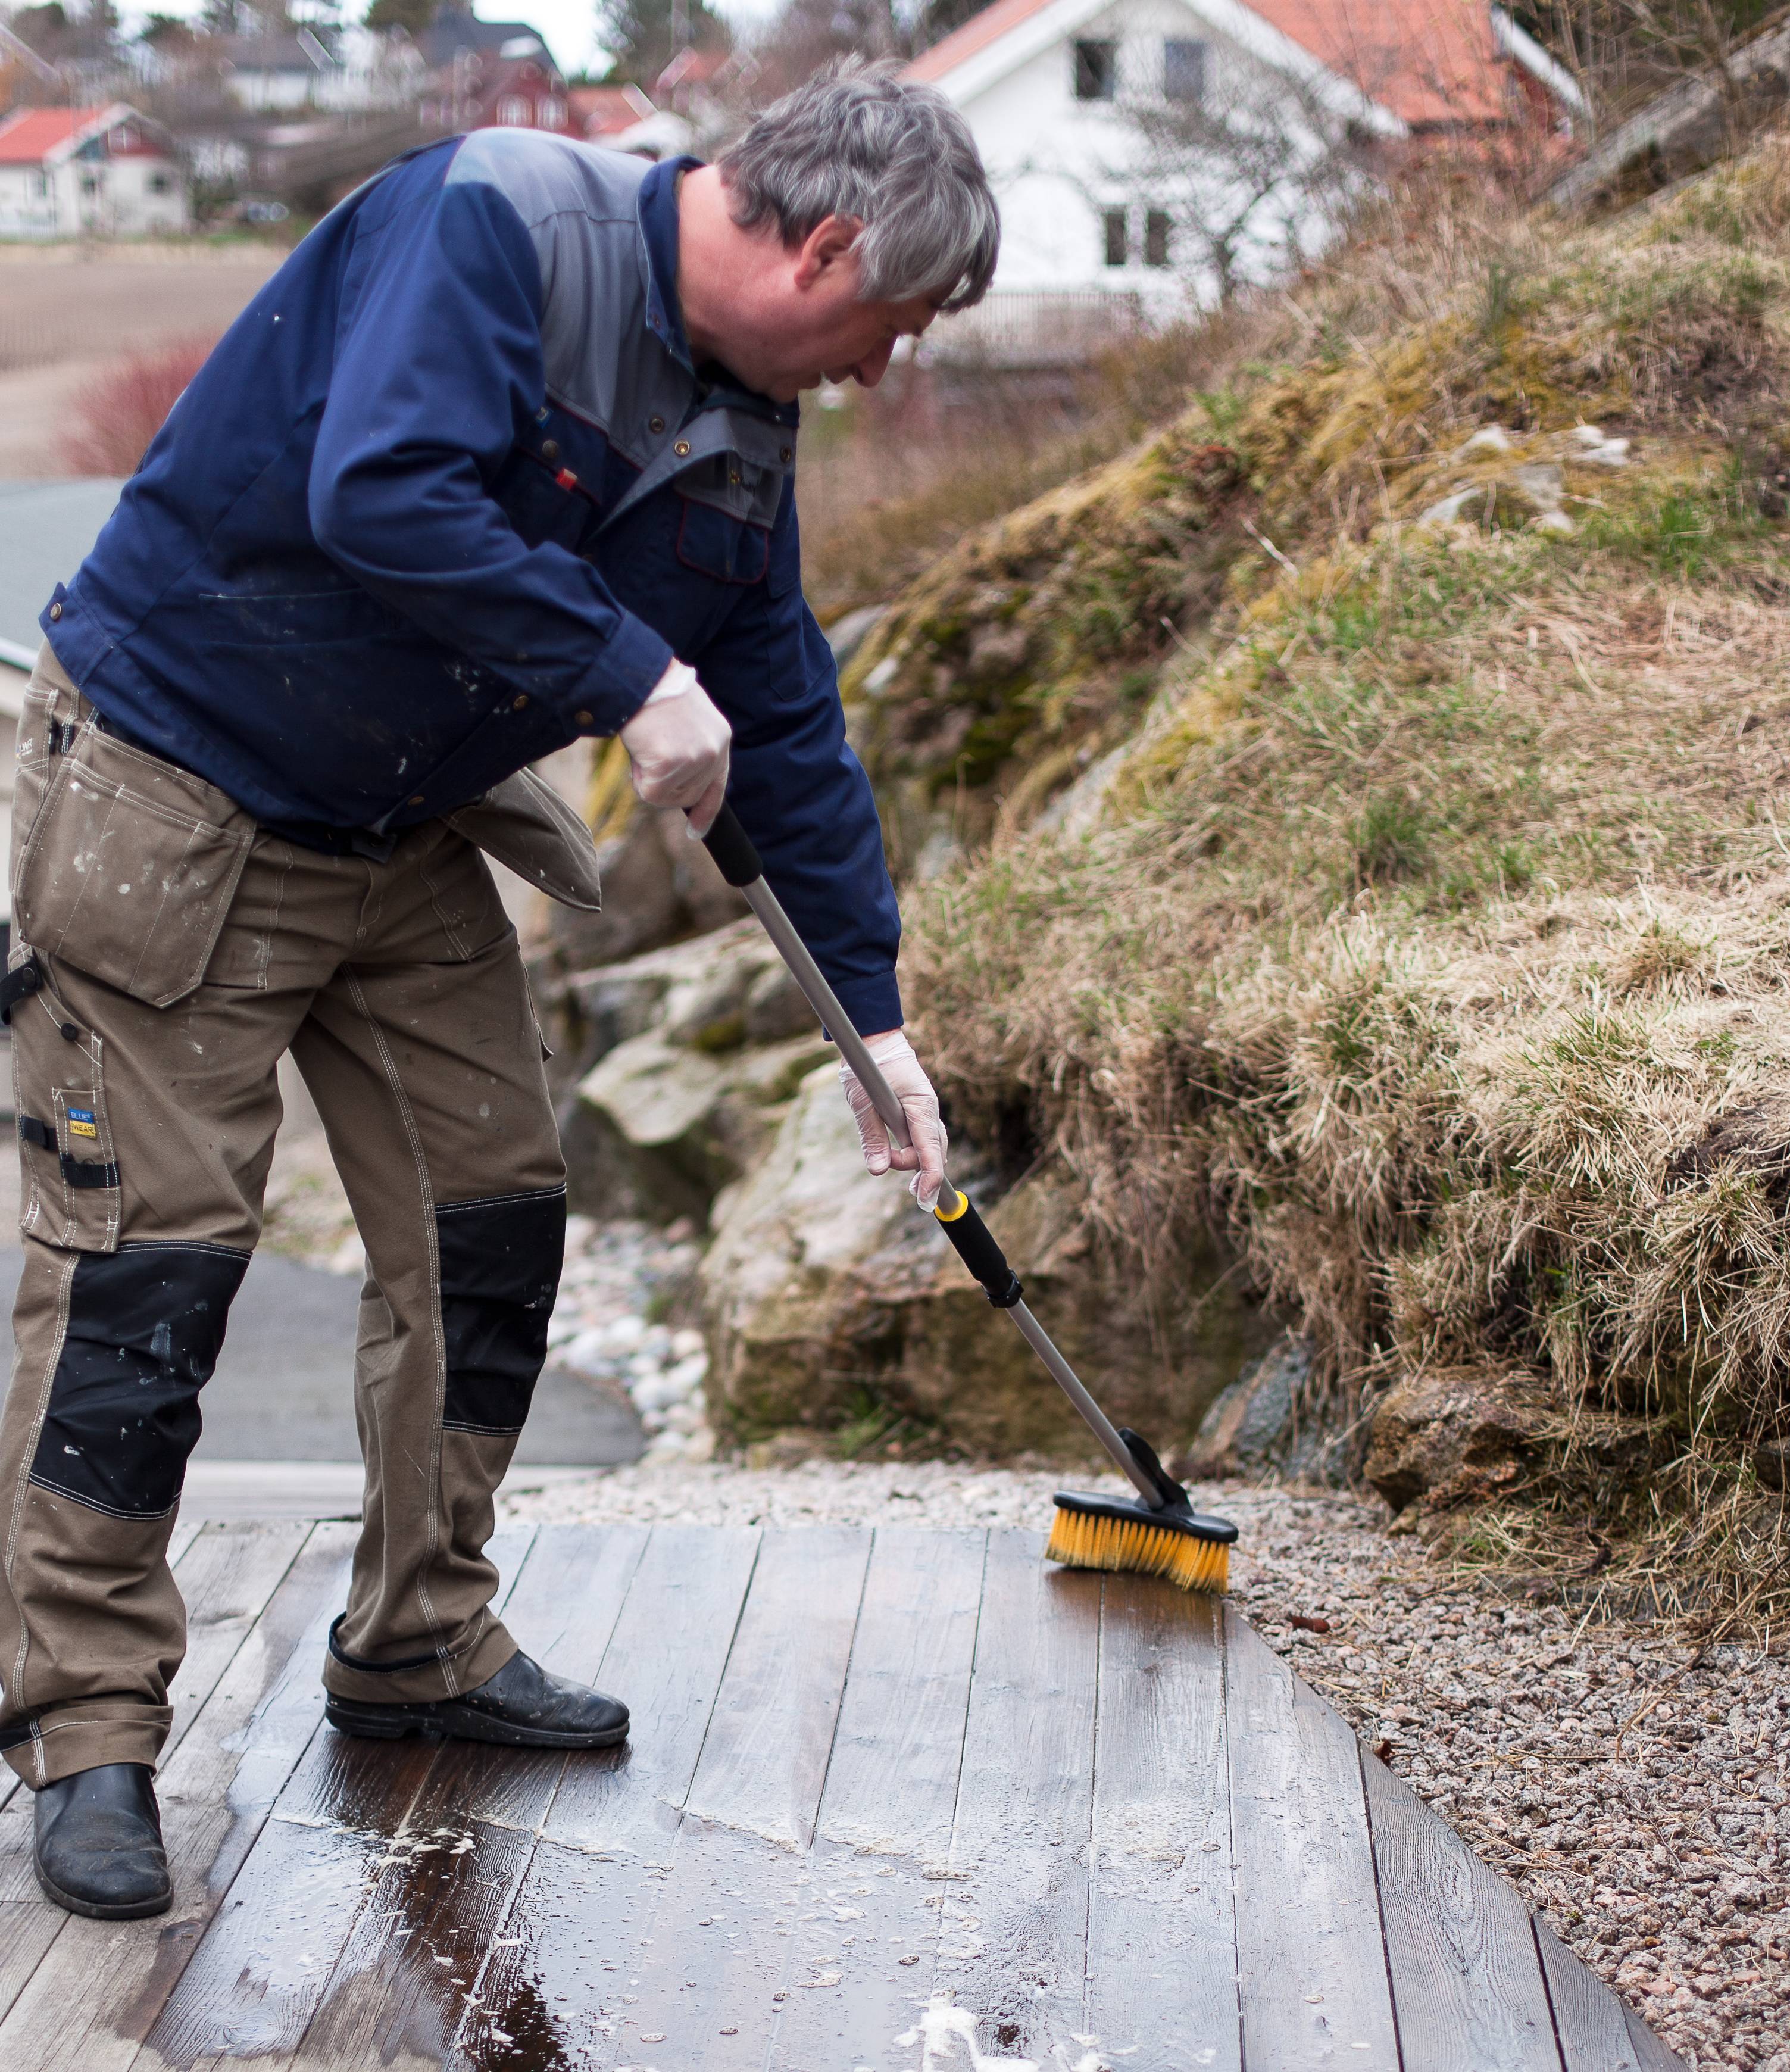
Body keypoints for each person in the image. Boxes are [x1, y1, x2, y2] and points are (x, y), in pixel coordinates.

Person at [0, 61, 996, 1921]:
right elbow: (381, 489)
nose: (884, 376)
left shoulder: (747, 411)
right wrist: (627, 674)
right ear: (836, 245)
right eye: (895, 327)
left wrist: (875, 1025)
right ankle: (85, 1729)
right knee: (148, 1271)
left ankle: (418, 1642)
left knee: (492, 1220)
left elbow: (775, 700)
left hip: (398, 821)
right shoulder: (497, 226)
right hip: (177, 783)